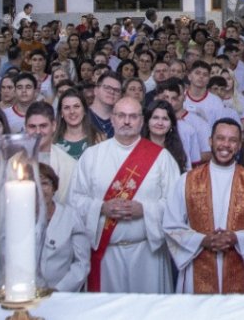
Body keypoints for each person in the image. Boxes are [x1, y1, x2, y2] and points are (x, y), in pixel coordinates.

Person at [70, 96, 181, 293]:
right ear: (112, 118)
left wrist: (145, 210)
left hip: (148, 255)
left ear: (141, 120)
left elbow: (177, 205)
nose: (127, 121)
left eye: (133, 116)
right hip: (106, 255)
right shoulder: (92, 156)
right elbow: (75, 199)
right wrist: (101, 207)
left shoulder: (162, 158)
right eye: (121, 115)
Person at [163, 118, 244, 293]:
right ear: (210, 141)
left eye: (232, 140)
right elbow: (171, 224)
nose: (226, 145)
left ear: (239, 145)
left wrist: (236, 239)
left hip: (239, 267)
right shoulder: (188, 180)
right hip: (197, 267)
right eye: (220, 138)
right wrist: (202, 240)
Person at [39, 163, 91, 292]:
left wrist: (59, 290)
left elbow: (81, 263)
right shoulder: (16, 219)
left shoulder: (70, 216)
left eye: (44, 184)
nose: (39, 190)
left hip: (61, 295)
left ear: (53, 188)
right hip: (24, 298)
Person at [25, 102, 77, 202]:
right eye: (32, 126)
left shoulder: (69, 165)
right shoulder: (14, 162)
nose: (38, 132)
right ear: (25, 127)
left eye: (43, 126)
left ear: (53, 126)